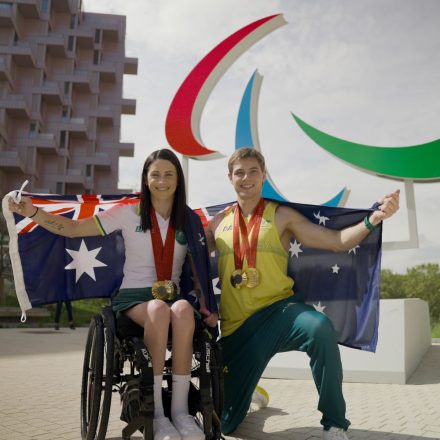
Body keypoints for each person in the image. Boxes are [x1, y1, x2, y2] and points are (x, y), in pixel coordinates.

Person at [9, 148, 218, 440]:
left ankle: (181, 413)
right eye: (155, 174)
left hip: (172, 298)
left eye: (169, 174)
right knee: (158, 309)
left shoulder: (189, 220)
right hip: (135, 298)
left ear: (178, 180)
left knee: (183, 310)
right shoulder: (127, 211)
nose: (162, 180)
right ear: (146, 179)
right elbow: (73, 229)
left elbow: (199, 267)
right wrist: (33, 212)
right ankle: (157, 416)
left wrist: (208, 305)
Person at [205, 147, 400, 440]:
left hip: (279, 312)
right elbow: (188, 260)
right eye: (239, 172)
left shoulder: (281, 215)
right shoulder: (217, 223)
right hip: (237, 328)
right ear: (230, 178)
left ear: (264, 175)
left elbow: (336, 241)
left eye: (253, 171)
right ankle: (251, 388)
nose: (246, 178)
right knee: (227, 425)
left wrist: (374, 218)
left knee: (319, 328)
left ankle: (334, 423)